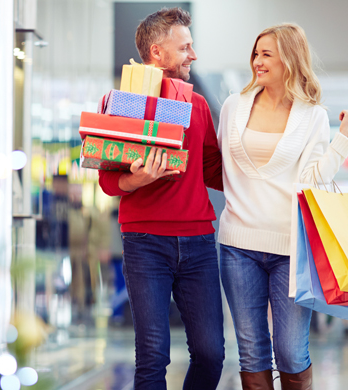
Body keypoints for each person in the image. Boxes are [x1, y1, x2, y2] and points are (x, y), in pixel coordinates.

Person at [217, 24, 348, 389]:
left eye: (267, 54)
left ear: (289, 60)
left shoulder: (311, 115)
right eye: (256, 53)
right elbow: (221, 167)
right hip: (238, 244)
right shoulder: (233, 107)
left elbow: (313, 178)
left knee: (290, 351)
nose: (257, 61)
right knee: (251, 352)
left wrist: (343, 137)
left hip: (290, 248)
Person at [98, 7, 225, 389]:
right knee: (152, 354)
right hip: (145, 242)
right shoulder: (125, 102)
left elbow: (213, 170)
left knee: (211, 353)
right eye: (185, 47)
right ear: (157, 52)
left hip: (199, 241)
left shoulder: (198, 105)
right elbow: (108, 181)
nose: (194, 55)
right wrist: (137, 180)